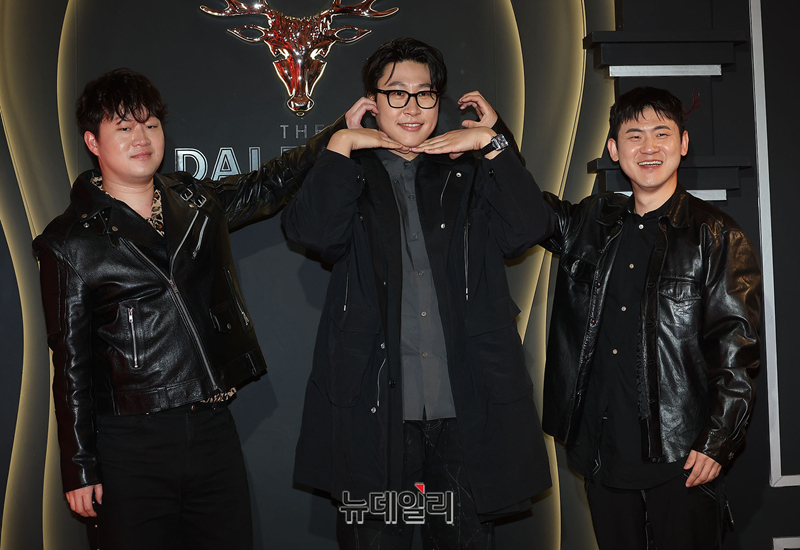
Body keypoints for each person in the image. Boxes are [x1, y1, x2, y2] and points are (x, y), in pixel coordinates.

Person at [33, 68, 342, 549]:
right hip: (129, 445)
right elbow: (70, 364)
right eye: (124, 127)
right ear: (93, 142)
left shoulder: (194, 202)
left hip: (211, 428)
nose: (142, 138)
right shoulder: (68, 241)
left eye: (151, 124)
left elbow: (268, 184)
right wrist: (79, 466)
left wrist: (340, 132)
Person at [282, 38, 554, 549]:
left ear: (438, 100)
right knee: (376, 541)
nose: (411, 107)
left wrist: (492, 142)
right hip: (375, 411)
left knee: (463, 540)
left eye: (424, 94)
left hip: (466, 408)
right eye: (396, 93)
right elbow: (314, 234)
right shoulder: (351, 170)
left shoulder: (468, 166)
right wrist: (340, 145)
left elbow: (527, 229)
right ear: (372, 101)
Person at [541, 86, 762, 549]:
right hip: (603, 454)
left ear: (683, 143)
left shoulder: (716, 234)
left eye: (662, 134)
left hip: (683, 458)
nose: (648, 147)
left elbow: (736, 351)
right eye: (634, 135)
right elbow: (528, 211)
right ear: (614, 150)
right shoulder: (593, 223)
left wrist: (717, 441)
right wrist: (494, 140)